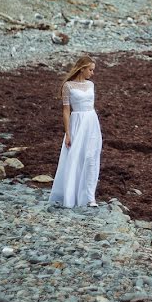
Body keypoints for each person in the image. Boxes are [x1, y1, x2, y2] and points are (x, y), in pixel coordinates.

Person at [48, 54, 102, 208]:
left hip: (91, 122)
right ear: (82, 69)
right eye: (90, 70)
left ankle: (89, 197)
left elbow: (89, 105)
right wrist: (68, 133)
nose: (92, 73)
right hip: (77, 123)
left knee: (91, 157)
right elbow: (66, 110)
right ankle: (70, 195)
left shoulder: (91, 85)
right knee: (75, 157)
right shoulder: (68, 86)